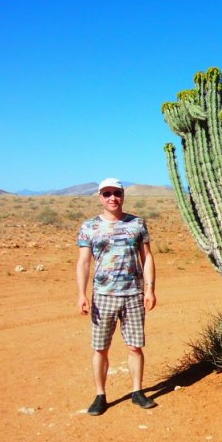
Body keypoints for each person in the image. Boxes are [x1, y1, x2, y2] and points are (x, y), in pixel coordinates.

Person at [76, 178, 157, 415]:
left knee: (135, 346)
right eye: (107, 193)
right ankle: (100, 395)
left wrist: (150, 289)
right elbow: (83, 262)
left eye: (117, 193)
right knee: (100, 348)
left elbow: (148, 257)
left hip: (133, 294)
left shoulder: (137, 224)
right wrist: (81, 294)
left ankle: (137, 391)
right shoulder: (89, 226)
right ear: (100, 197)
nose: (113, 198)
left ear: (123, 195)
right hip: (103, 296)